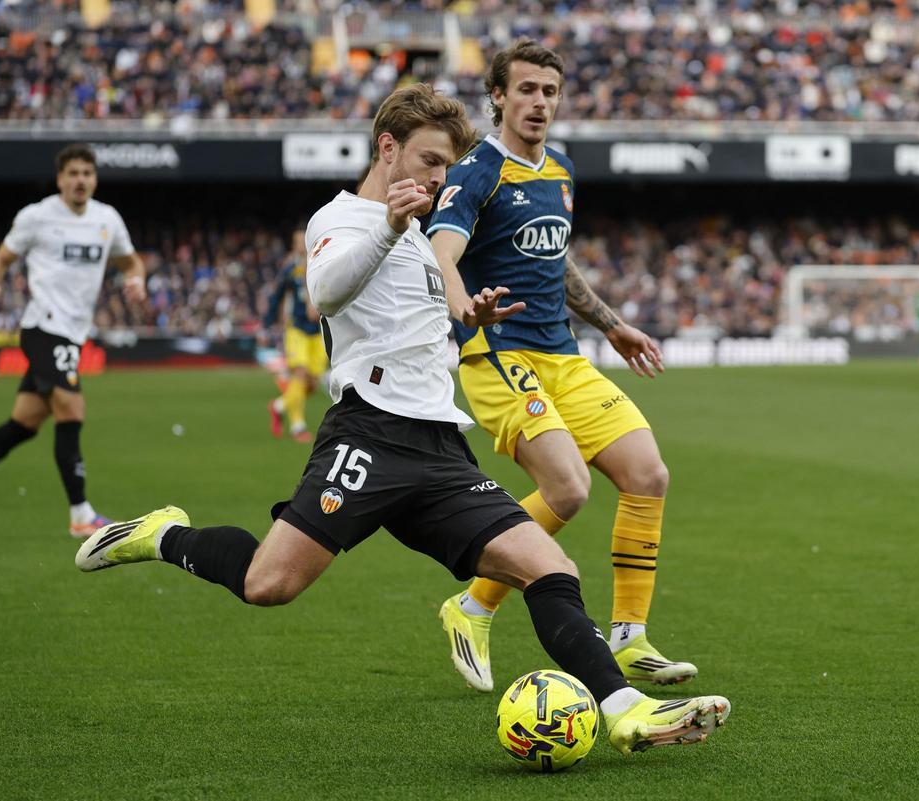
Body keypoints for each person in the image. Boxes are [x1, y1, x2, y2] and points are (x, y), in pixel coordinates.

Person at [73, 84, 729, 756]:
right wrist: (389, 224)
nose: (439, 177)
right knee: (268, 584)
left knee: (549, 565)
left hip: (439, 445)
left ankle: (624, 711)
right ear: (388, 148)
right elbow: (324, 292)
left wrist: (468, 315)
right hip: (370, 434)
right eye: (429, 160)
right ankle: (162, 535)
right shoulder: (344, 218)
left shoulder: (417, 236)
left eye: (446, 166)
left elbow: (420, 321)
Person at [425, 39, 696, 692]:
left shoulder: (560, 170)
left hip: (563, 356)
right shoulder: (478, 170)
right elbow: (443, 247)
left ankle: (631, 637)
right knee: (569, 489)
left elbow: (558, 260)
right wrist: (464, 308)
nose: (539, 102)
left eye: (549, 91)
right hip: (498, 354)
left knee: (647, 473)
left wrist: (612, 323)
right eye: (526, 90)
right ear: (498, 96)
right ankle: (473, 603)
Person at [0, 143, 147, 537]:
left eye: (87, 174)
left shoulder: (107, 219)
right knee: (71, 409)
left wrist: (136, 279)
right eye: (73, 174)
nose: (80, 180)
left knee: (24, 422)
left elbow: (131, 261)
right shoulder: (37, 216)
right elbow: (0, 260)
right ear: (60, 178)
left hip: (73, 334)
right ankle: (81, 514)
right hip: (43, 327)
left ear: (94, 178)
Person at [263, 228, 327, 443]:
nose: (303, 244)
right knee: (300, 374)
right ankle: (298, 427)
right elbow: (277, 296)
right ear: (294, 245)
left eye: (305, 240)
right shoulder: (291, 270)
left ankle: (279, 405)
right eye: (298, 241)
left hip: (318, 332)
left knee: (311, 383)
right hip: (297, 328)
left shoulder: (322, 263)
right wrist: (266, 325)